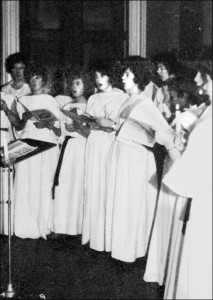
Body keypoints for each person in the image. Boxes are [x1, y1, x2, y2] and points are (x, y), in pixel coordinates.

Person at [153, 55, 212, 299]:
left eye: (207, 77)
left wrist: (170, 145)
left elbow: (192, 173)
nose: (200, 82)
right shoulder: (207, 113)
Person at [104, 56, 172, 263]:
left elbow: (163, 132)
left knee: (131, 202)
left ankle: (131, 250)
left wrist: (134, 131)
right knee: (121, 201)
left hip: (136, 158)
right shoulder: (127, 100)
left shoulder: (145, 103)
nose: (123, 78)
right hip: (122, 153)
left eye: (128, 74)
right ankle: (119, 247)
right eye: (123, 73)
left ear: (139, 77)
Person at [143, 76, 197, 286]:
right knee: (164, 223)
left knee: (174, 225)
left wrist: (168, 144)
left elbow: (187, 163)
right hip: (169, 174)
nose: (166, 99)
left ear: (184, 96)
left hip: (180, 181)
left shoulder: (191, 119)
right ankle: (161, 271)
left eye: (171, 96)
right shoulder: (180, 116)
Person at [81, 60, 128, 252]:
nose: (99, 80)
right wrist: (86, 124)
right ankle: (94, 236)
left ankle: (109, 238)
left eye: (103, 75)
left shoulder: (122, 97)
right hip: (94, 145)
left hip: (110, 144)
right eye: (96, 76)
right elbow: (88, 124)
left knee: (108, 187)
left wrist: (106, 124)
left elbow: (123, 126)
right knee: (94, 187)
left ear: (112, 76)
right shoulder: (93, 99)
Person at [13, 64, 62, 239]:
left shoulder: (51, 101)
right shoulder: (21, 101)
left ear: (43, 79)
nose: (34, 81)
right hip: (27, 143)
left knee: (43, 183)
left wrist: (51, 125)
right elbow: (17, 129)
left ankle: (43, 224)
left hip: (46, 145)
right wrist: (23, 119)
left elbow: (59, 132)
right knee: (25, 183)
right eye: (31, 77)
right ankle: (25, 225)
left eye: (38, 77)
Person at [52, 68, 94, 235]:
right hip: (68, 149)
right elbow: (60, 133)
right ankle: (62, 227)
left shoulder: (91, 105)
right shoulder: (67, 106)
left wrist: (78, 127)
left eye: (78, 83)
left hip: (83, 149)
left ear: (86, 85)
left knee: (79, 187)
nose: (74, 86)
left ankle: (79, 228)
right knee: (64, 186)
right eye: (72, 83)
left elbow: (92, 134)